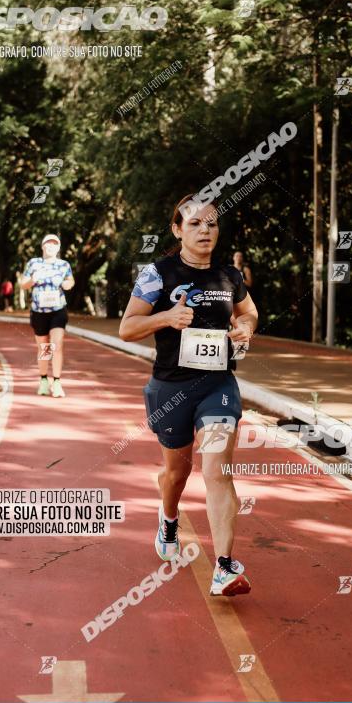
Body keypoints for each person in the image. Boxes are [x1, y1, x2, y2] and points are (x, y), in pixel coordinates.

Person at [119, 195, 258, 597]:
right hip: (171, 389)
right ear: (178, 230)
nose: (204, 231)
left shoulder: (229, 277)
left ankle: (225, 566)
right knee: (177, 474)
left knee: (216, 470)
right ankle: (168, 518)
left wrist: (245, 328)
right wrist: (166, 317)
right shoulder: (157, 274)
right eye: (195, 224)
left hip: (217, 388)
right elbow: (127, 328)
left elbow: (249, 313)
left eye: (211, 224)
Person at [20, 234, 74, 398]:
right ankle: (44, 380)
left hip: (58, 310)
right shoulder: (33, 263)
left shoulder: (64, 264)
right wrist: (32, 280)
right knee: (44, 347)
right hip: (38, 311)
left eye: (54, 244)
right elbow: (23, 284)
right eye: (48, 244)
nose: (51, 247)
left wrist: (67, 284)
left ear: (58, 248)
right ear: (43, 247)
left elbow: (70, 281)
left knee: (56, 344)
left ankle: (56, 381)